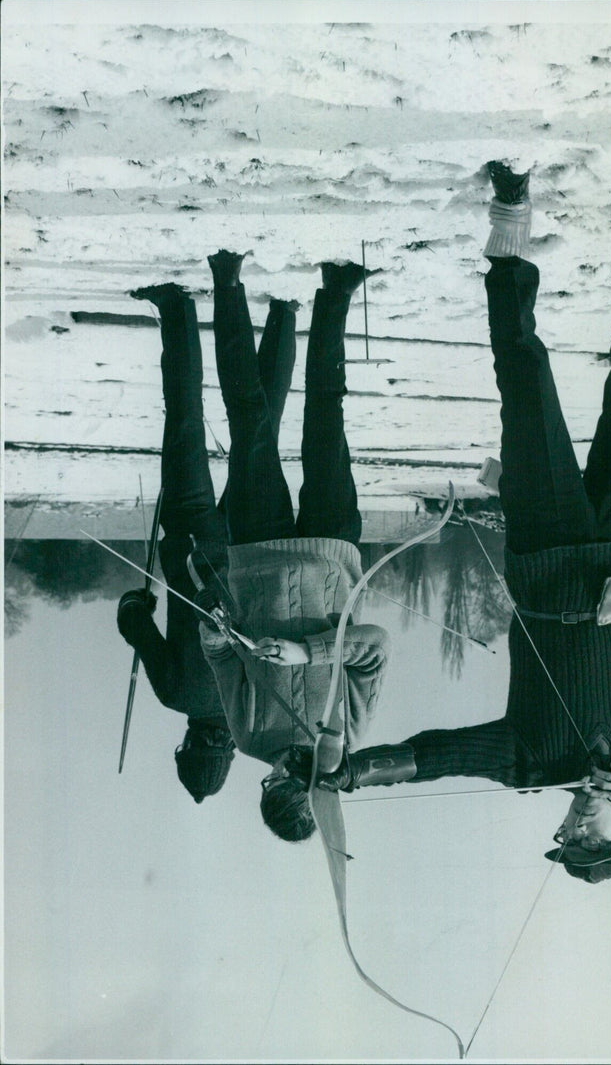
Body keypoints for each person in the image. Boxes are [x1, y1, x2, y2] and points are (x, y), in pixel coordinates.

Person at [286, 164, 611, 883]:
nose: (573, 822)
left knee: (525, 373)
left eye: (567, 833)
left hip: (543, 553)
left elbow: (437, 756)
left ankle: (509, 218)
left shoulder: (529, 763)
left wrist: (354, 774)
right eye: (588, 833)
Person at [193, 252, 391, 843]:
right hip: (334, 553)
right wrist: (308, 654)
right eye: (293, 780)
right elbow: (375, 650)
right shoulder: (345, 735)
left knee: (250, 419)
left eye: (274, 783)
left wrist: (215, 626)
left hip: (257, 554)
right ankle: (336, 295)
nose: (282, 770)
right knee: (325, 418)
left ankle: (226, 284)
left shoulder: (252, 737)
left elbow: (223, 659)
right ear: (318, 786)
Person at [116, 273, 300, 802]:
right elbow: (133, 623)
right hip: (193, 545)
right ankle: (176, 307)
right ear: (188, 748)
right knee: (186, 421)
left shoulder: (256, 706)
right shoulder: (175, 695)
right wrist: (138, 603)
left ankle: (285, 315)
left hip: (251, 549)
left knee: (259, 432)